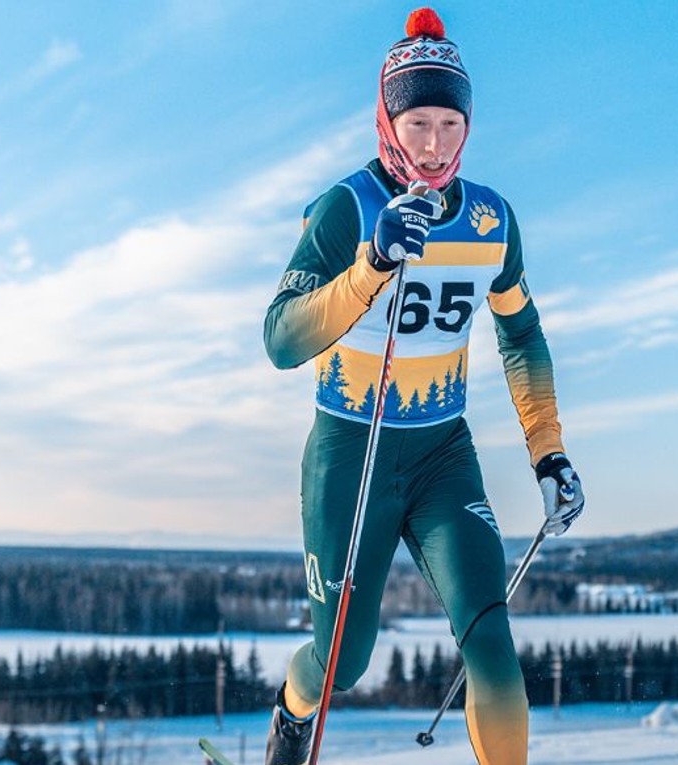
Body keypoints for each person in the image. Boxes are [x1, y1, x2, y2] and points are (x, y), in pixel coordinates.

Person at [261, 8, 584, 764]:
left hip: (443, 455)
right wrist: (371, 265)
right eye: (417, 124)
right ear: (387, 121)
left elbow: (522, 334)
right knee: (341, 662)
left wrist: (548, 452)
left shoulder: (491, 219)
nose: (434, 145)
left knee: (492, 643)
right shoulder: (348, 208)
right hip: (352, 453)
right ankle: (291, 714)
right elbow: (281, 339)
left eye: (449, 124)